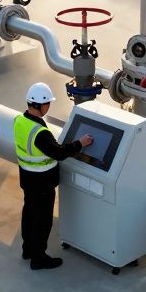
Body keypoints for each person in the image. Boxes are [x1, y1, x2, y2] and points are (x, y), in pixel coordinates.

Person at [15, 82, 92, 270]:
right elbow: (58, 153)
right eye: (48, 103)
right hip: (42, 183)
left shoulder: (20, 121)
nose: (49, 106)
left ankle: (28, 250)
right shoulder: (40, 133)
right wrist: (80, 144)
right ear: (42, 105)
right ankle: (38, 258)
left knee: (29, 215)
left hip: (27, 179)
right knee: (42, 221)